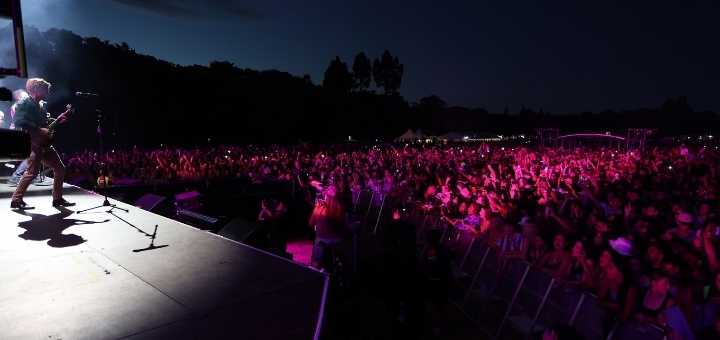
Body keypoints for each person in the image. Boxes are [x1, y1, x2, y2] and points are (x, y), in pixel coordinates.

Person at [10, 78, 75, 210]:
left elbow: (44, 122)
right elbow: (18, 120)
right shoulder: (25, 103)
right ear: (36, 90)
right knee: (32, 172)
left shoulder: (40, 105)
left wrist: (57, 120)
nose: (48, 92)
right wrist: (39, 129)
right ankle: (16, 200)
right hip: (33, 143)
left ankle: (57, 198)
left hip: (44, 144)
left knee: (60, 168)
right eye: (46, 89)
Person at [308, 184, 347, 269]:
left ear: (326, 197)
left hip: (322, 241)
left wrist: (316, 209)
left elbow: (310, 223)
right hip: (338, 242)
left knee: (316, 265)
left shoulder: (319, 209)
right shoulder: (342, 209)